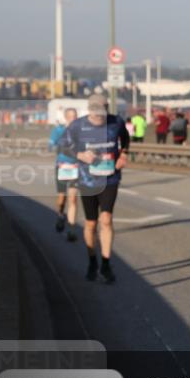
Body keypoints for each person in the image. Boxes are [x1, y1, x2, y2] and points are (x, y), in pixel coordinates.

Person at [61, 93, 131, 283]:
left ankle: (106, 264)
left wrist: (123, 154)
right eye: (97, 113)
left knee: (106, 219)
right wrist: (81, 155)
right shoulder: (78, 125)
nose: (101, 117)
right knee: (91, 223)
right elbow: (64, 146)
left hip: (110, 179)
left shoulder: (116, 122)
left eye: (104, 111)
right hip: (87, 180)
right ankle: (93, 260)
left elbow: (125, 138)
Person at [49, 107, 80, 241]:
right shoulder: (59, 130)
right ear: (66, 117)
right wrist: (56, 146)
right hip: (62, 166)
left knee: (73, 199)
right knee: (62, 198)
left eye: (75, 116)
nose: (73, 119)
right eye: (71, 116)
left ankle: (72, 229)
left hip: (76, 167)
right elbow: (50, 145)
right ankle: (60, 215)